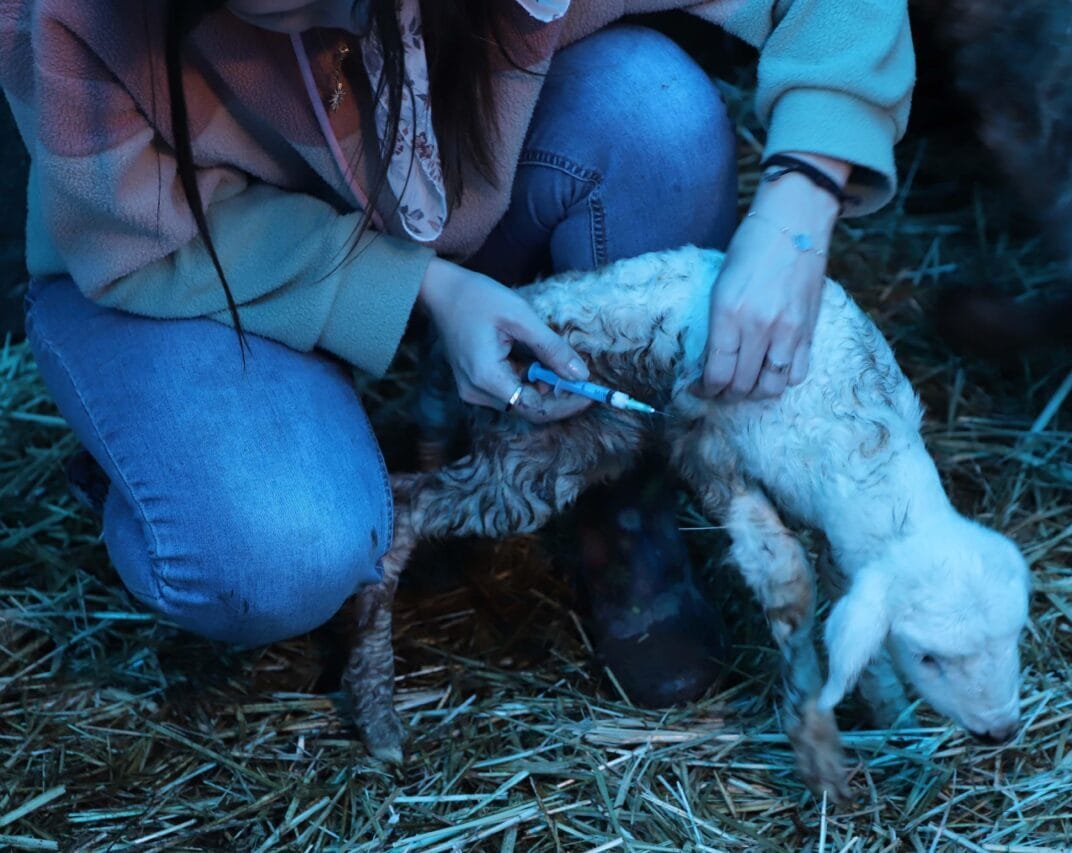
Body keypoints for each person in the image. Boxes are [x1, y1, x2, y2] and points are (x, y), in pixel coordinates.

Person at [1, 0, 914, 706]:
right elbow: (132, 238)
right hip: (198, 266)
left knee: (655, 114)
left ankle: (614, 498)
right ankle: (190, 462)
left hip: (442, 184)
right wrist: (425, 291)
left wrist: (799, 208)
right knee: (269, 555)